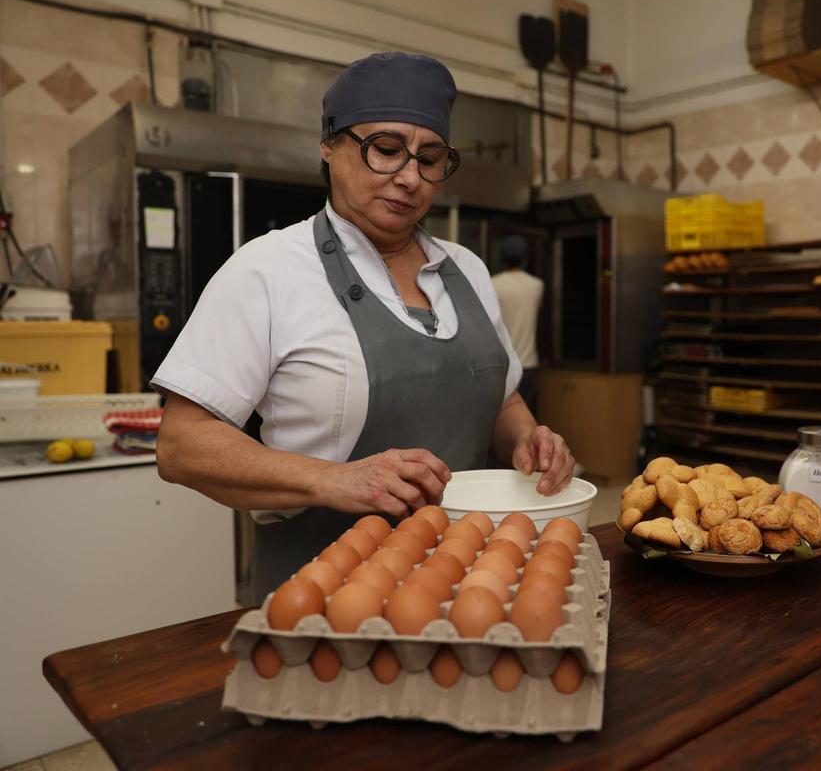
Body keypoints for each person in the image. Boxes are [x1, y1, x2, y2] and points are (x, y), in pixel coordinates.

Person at [153, 52, 575, 602]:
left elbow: (501, 398)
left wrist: (526, 439)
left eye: (430, 158)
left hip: (471, 581)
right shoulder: (268, 270)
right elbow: (180, 446)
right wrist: (333, 479)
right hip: (322, 593)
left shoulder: (467, 270)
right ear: (328, 146)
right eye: (386, 149)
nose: (409, 178)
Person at [491, 235, 544, 414]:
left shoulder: (493, 284)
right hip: (528, 363)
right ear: (525, 258)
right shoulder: (536, 285)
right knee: (526, 417)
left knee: (500, 418)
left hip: (502, 365)